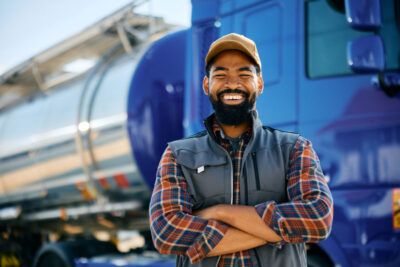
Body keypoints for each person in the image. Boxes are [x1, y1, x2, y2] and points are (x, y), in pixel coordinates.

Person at [149, 33, 333, 266]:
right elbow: (167, 232)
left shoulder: (294, 149)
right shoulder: (179, 155)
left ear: (260, 83)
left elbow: (317, 219)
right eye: (221, 74)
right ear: (207, 85)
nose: (233, 83)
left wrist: (220, 212)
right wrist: (277, 232)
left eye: (244, 74)